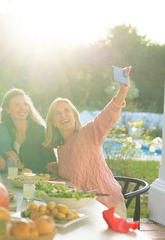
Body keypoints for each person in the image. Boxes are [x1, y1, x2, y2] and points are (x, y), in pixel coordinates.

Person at [45, 66, 132, 218]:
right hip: (83, 207)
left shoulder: (88, 133)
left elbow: (107, 116)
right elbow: (77, 173)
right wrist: (58, 169)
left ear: (74, 115)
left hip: (107, 205)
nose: (63, 115)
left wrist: (122, 91)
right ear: (53, 122)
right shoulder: (62, 149)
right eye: (57, 113)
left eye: (67, 111)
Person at [0, 88, 56, 173]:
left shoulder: (39, 131)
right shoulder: (6, 132)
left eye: (25, 104)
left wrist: (21, 165)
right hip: (15, 183)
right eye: (17, 105)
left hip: (37, 184)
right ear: (7, 109)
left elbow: (51, 166)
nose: (22, 108)